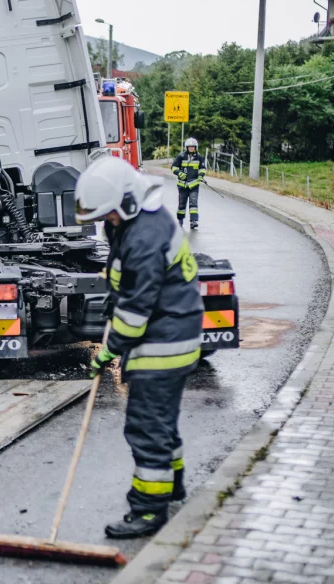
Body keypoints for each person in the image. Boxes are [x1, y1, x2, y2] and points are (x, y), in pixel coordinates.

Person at [75, 157, 203, 539]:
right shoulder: (140, 222)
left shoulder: (144, 236)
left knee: (146, 426)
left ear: (127, 201)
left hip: (164, 343)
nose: (107, 222)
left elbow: (134, 312)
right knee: (162, 421)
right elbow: (125, 276)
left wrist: (107, 352)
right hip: (174, 333)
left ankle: (149, 510)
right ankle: (173, 487)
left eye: (109, 215)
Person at [171, 138, 206, 229]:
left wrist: (201, 175)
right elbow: (174, 167)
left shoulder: (199, 157)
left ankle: (193, 221)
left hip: (194, 185)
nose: (191, 148)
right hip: (182, 185)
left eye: (192, 147)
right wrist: (179, 173)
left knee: (193, 203)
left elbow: (202, 168)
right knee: (182, 204)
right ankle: (180, 220)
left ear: (195, 147)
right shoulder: (181, 156)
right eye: (189, 147)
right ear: (186, 147)